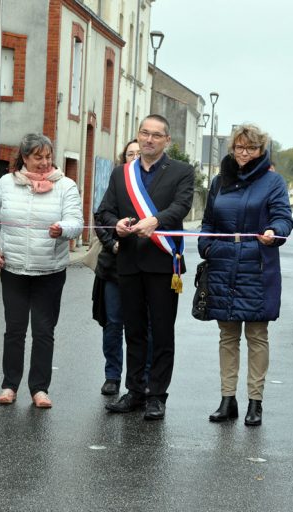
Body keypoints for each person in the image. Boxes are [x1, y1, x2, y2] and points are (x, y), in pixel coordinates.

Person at [97, 114, 195, 420]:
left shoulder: (182, 171)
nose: (149, 139)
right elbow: (105, 212)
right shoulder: (121, 174)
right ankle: (135, 391)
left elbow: (182, 206)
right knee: (134, 331)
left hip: (163, 262)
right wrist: (118, 225)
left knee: (162, 332)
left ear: (167, 140)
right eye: (144, 133)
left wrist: (156, 220)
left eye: (156, 135)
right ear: (138, 135)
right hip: (128, 262)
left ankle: (157, 395)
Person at [0, 134, 83, 408]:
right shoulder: (5, 184)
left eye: (48, 157)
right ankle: (9, 386)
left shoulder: (66, 186)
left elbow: (77, 222)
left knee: (43, 331)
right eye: (38, 157)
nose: (44, 162)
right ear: (24, 158)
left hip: (50, 271)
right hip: (13, 269)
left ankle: (39, 389)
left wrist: (63, 229)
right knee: (14, 330)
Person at [198, 124, 293, 427]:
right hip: (222, 261)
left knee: (256, 335)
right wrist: (207, 246)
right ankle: (228, 399)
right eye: (239, 147)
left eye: (251, 148)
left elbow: (283, 218)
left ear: (261, 151)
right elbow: (208, 221)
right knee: (227, 336)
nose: (244, 153)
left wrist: (275, 232)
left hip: (258, 263)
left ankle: (256, 401)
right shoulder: (218, 181)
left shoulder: (273, 181)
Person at [92, 140, 140, 396]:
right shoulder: (116, 181)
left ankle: (140, 377)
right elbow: (100, 218)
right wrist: (113, 245)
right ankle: (112, 375)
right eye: (129, 153)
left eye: (138, 154)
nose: (134, 157)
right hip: (114, 267)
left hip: (143, 265)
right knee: (112, 323)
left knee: (141, 325)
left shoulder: (151, 186)